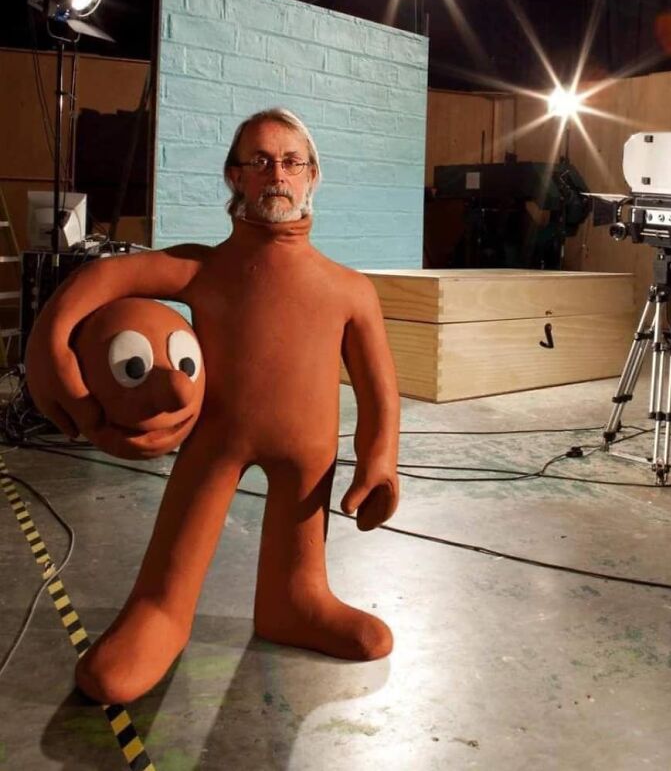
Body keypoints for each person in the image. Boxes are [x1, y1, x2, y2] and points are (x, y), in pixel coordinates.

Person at [25, 107, 401, 705]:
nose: (277, 172)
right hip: (214, 444)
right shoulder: (206, 267)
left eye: (291, 161)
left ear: (312, 176)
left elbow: (380, 387)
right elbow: (107, 277)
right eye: (259, 161)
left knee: (300, 555)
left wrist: (379, 459)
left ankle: (295, 602)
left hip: (309, 458)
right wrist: (50, 342)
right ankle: (161, 614)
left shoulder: (350, 290)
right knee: (174, 565)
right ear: (235, 178)